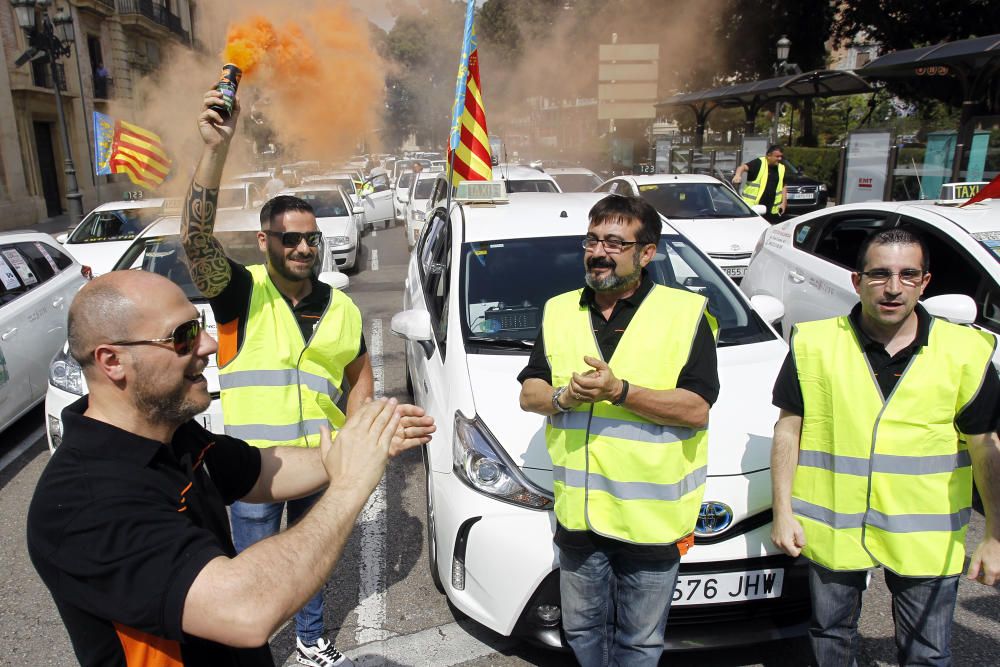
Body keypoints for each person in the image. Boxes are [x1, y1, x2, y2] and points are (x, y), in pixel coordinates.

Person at [27, 271, 435, 667]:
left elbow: (257, 471)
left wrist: (349, 450)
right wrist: (349, 485)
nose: (207, 345)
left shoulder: (169, 434)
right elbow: (245, 609)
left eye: (200, 326)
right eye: (182, 336)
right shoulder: (84, 503)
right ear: (112, 361)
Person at [181, 89, 374, 667]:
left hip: (318, 460)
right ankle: (253, 648)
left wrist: (357, 438)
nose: (303, 247)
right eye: (289, 237)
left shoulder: (343, 307)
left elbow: (359, 371)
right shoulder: (241, 293)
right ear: (264, 241)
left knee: (309, 560)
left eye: (311, 238)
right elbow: (195, 242)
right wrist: (215, 152)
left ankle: (311, 639)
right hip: (256, 466)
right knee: (257, 568)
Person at [769, 227, 1000, 666]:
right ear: (857, 281)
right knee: (830, 638)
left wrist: (995, 534)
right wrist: (783, 512)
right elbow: (788, 430)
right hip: (835, 529)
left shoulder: (965, 351)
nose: (893, 288)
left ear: (925, 282)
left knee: (927, 653)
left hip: (925, 537)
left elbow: (986, 447)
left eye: (908, 275)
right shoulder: (814, 343)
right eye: (879, 275)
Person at [518, 194, 720, 666]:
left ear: (646, 252)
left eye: (614, 242)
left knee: (640, 641)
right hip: (581, 519)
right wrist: (564, 396)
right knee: (582, 630)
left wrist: (621, 391)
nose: (598, 252)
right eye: (591, 240)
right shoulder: (559, 311)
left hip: (651, 522)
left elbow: (696, 409)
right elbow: (530, 393)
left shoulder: (685, 314)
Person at [732, 144, 787, 224]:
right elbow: (742, 167)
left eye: (781, 156)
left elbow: (783, 186)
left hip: (772, 210)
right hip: (753, 209)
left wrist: (784, 202)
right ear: (769, 156)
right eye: (777, 156)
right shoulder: (759, 163)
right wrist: (738, 175)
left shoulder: (781, 168)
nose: (780, 159)